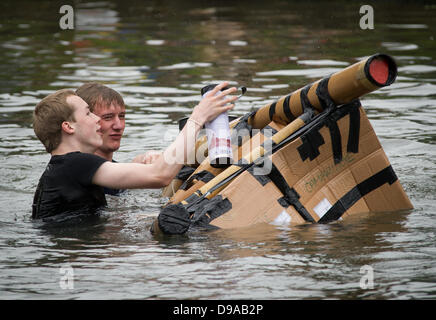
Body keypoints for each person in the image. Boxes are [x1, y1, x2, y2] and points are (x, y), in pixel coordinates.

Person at [31, 82, 237, 221]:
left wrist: (142, 160)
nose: (96, 120)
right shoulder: (74, 164)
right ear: (68, 127)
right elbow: (160, 175)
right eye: (88, 114)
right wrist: (198, 118)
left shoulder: (65, 166)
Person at [75, 82, 154, 195]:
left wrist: (144, 161)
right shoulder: (77, 171)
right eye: (107, 117)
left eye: (121, 116)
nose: (119, 126)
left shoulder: (117, 171)